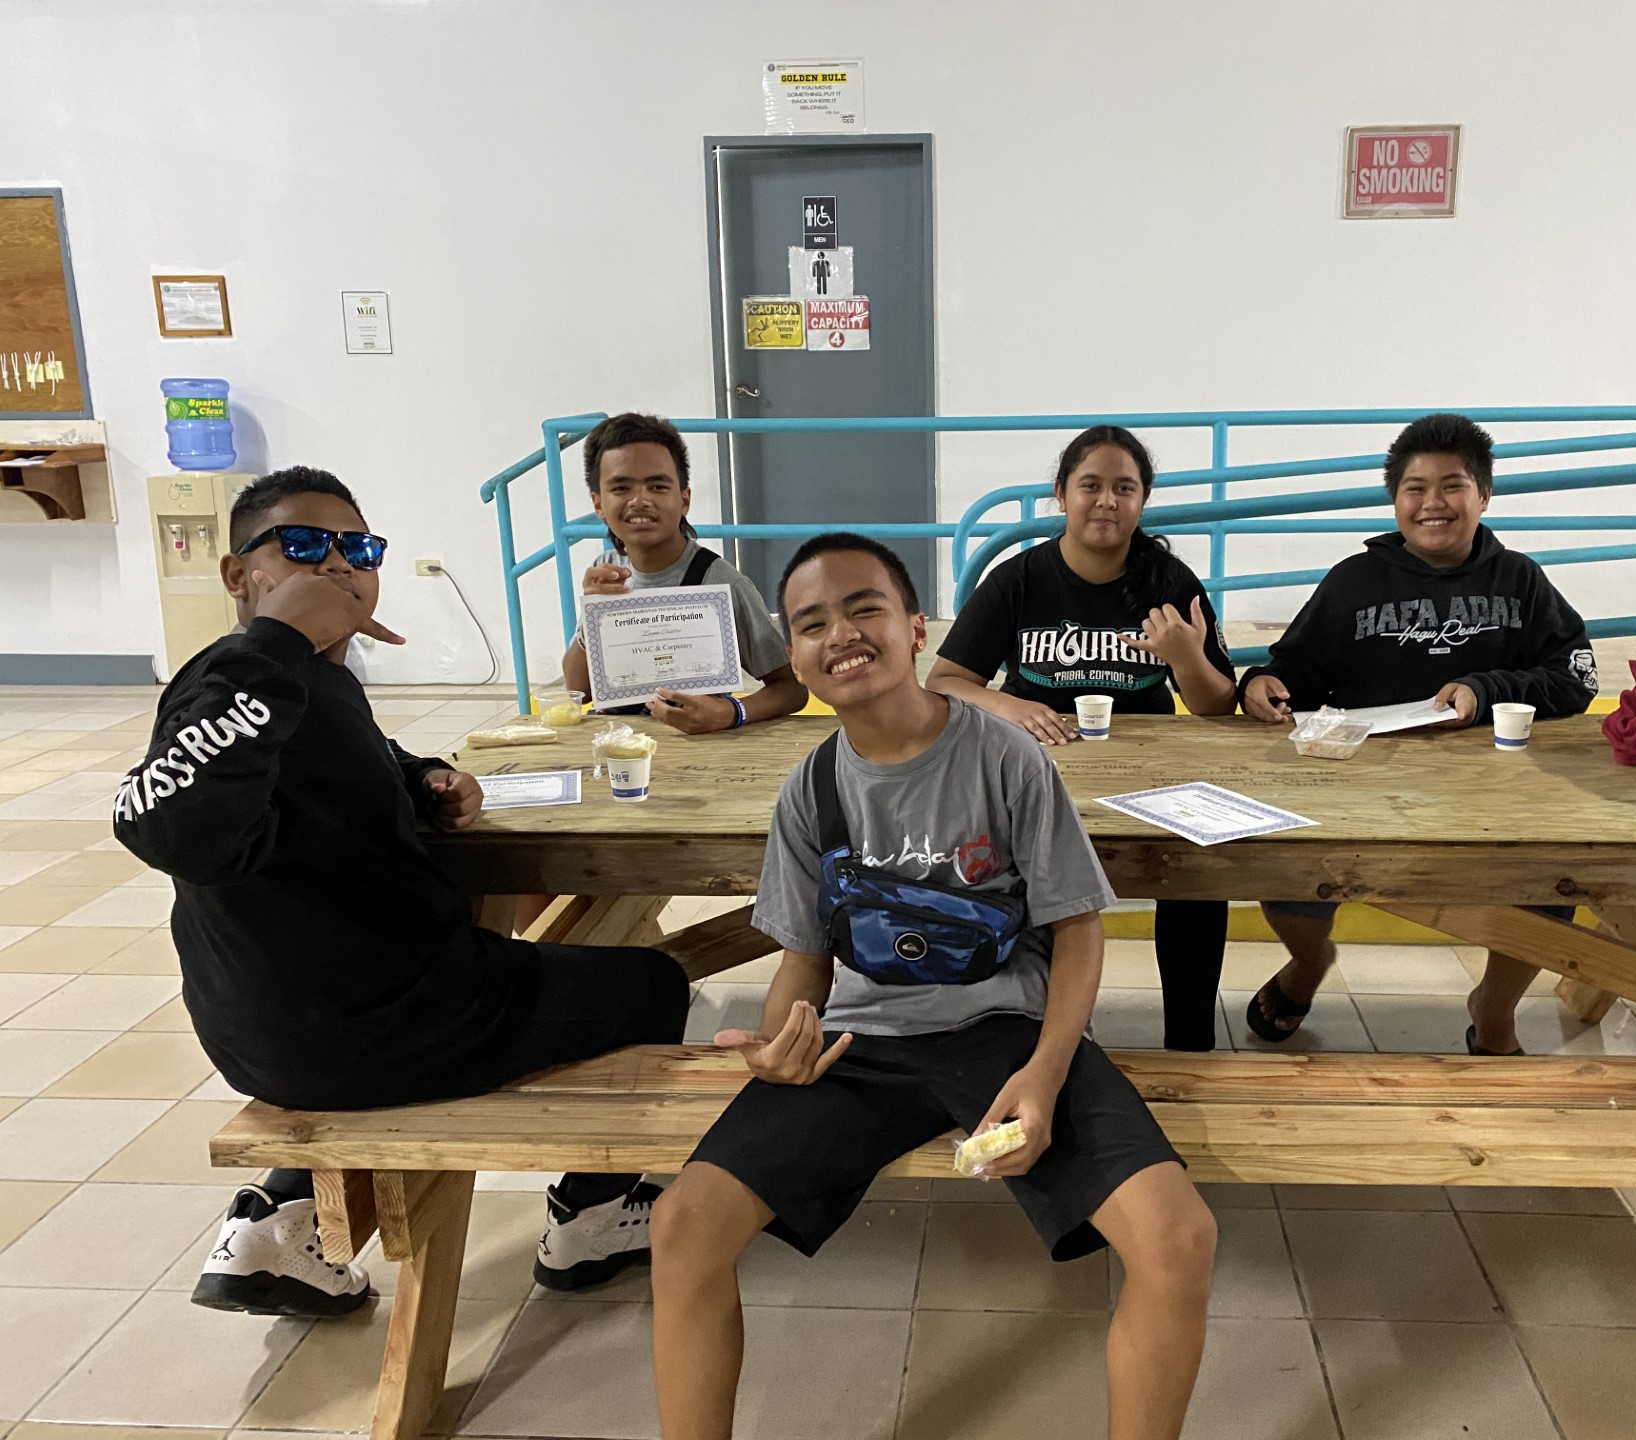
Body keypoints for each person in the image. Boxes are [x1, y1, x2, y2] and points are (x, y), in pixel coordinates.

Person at [648, 533, 1216, 1440]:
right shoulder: (811, 789)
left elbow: (1075, 929)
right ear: (792, 656)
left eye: (863, 607)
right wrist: (777, 1047)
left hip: (1007, 1032)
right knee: (681, 1226)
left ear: (915, 628)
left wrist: (1044, 1071)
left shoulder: (1005, 759)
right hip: (859, 1043)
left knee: (1180, 1239)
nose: (840, 633)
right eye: (811, 622)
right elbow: (805, 954)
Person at [115, 466, 691, 1317]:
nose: (337, 567)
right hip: (375, 1020)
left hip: (278, 1017)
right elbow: (165, 824)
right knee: (652, 984)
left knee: (545, 957)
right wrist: (275, 642)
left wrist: (422, 778)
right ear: (241, 576)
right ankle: (591, 1219)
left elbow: (336, 766)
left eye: (358, 548)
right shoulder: (240, 675)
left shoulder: (306, 681)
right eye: (304, 547)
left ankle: (281, 1214)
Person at [1238, 413, 1601, 1056]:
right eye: (1415, 488)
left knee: (1555, 869)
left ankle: (1495, 1005)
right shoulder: (1355, 580)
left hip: (1495, 793)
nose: (1433, 503)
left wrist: (1488, 690)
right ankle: (1307, 962)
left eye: (1453, 485)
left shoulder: (1520, 580)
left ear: (1483, 496)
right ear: (1394, 500)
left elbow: (1576, 677)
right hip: (1361, 793)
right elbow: (1296, 670)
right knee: (1283, 863)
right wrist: (1261, 683)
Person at [927, 426, 1238, 1051]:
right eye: (1090, 485)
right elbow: (945, 681)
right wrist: (1009, 705)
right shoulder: (1019, 580)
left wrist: (1185, 657)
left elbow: (1217, 705)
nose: (1106, 501)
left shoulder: (1169, 582)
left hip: (1147, 781)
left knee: (1202, 868)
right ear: (1061, 495)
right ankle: (1016, 1032)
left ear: (1143, 500)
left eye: (1124, 488)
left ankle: (1191, 1046)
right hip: (1033, 777)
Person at [560, 412, 807, 734]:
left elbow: (792, 689)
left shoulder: (722, 583)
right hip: (620, 747)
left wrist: (732, 712)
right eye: (621, 488)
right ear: (598, 504)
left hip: (695, 752)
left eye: (658, 486)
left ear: (684, 499)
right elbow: (579, 691)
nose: (640, 500)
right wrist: (592, 614)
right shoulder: (608, 571)